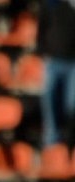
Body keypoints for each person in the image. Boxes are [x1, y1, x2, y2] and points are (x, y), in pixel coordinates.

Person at [37, 0, 75, 148]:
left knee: (71, 104)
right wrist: (42, 51)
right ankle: (51, 139)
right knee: (49, 100)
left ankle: (69, 139)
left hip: (73, 62)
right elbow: (42, 27)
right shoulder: (51, 4)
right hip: (53, 60)